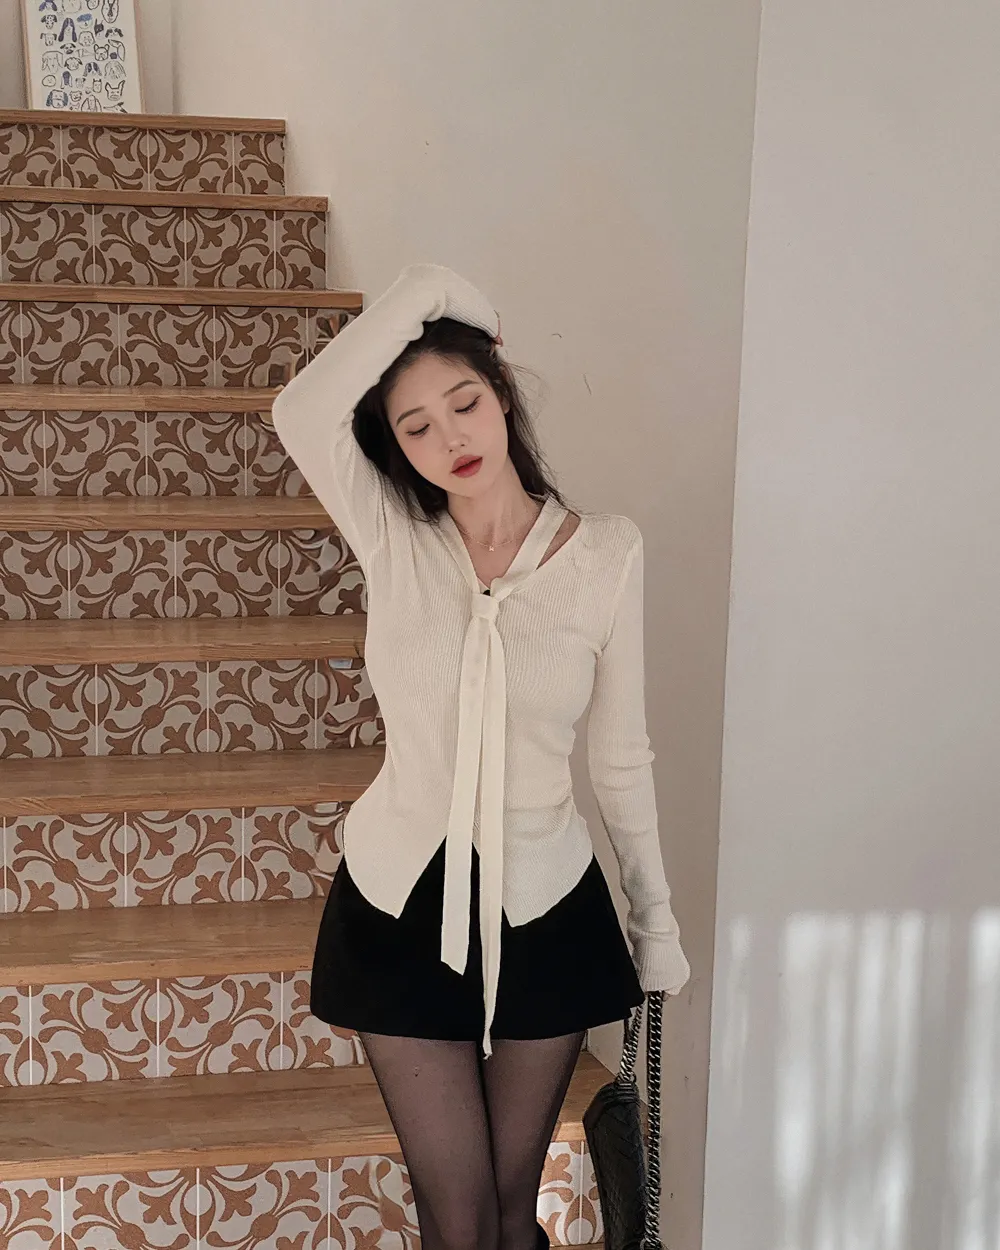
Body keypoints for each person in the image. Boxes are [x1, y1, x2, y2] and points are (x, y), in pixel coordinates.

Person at [270, 263, 691, 1250]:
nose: (449, 438)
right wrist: (433, 291)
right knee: (457, 1222)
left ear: (501, 392)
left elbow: (620, 756)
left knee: (508, 1211)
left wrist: (655, 917)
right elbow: (299, 410)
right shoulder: (394, 537)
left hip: (545, 905)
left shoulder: (606, 554)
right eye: (416, 426)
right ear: (397, 448)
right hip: (398, 901)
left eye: (463, 403)